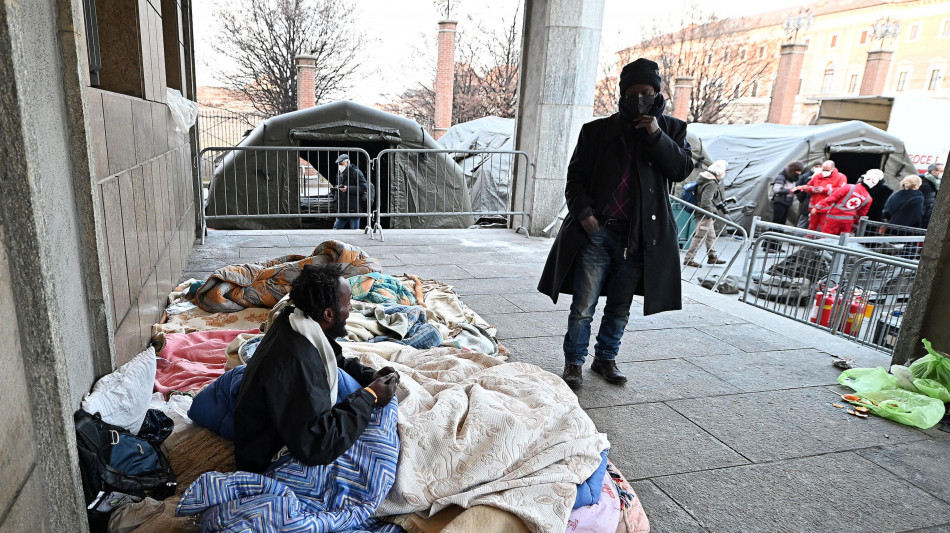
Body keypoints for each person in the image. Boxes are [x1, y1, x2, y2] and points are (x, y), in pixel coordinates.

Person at [537, 58, 693, 390]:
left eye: (647, 92)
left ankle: (606, 358)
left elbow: (680, 170)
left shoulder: (673, 130)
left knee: (620, 307)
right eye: (634, 93)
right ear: (622, 95)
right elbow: (574, 179)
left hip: (640, 236)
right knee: (583, 304)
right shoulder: (596, 132)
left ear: (657, 92)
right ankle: (574, 362)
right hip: (599, 232)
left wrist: (654, 134)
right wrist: (585, 216)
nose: (640, 99)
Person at [234, 264, 399, 473]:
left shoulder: (294, 319)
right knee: (380, 449)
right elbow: (318, 445)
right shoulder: (299, 363)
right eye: (347, 304)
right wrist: (371, 397)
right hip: (267, 458)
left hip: (277, 424)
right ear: (329, 314)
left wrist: (370, 375)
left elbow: (334, 358)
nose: (351, 310)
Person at [683, 159, 728, 267]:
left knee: (710, 236)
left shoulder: (704, 179)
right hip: (705, 214)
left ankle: (712, 257)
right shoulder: (711, 183)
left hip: (703, 212)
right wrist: (711, 214)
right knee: (699, 237)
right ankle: (689, 259)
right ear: (720, 172)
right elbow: (706, 201)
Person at [812, 169, 872, 236]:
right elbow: (860, 215)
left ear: (861, 180)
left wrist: (817, 207)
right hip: (848, 222)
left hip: (833, 218)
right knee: (842, 242)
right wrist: (854, 226)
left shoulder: (848, 187)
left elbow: (832, 198)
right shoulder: (868, 199)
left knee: (826, 239)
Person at [793, 160, 846, 232]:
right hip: (814, 208)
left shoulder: (841, 177)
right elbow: (808, 186)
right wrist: (812, 189)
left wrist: (825, 190)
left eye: (827, 170)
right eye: (823, 170)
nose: (824, 172)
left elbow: (841, 191)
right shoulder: (817, 175)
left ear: (833, 169)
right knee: (811, 228)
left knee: (823, 230)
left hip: (828, 209)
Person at [331, 154, 369, 230]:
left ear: (347, 162)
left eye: (341, 164)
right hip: (342, 209)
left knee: (354, 231)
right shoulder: (339, 174)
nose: (340, 166)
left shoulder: (356, 172)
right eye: (339, 164)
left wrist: (348, 189)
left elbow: (364, 187)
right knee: (335, 230)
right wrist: (336, 200)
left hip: (353, 208)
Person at [772, 161, 804, 226]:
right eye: (798, 171)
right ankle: (772, 234)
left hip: (787, 203)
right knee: (777, 221)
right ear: (793, 170)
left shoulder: (793, 178)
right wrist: (791, 190)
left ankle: (779, 234)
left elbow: (792, 190)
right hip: (779, 202)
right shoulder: (782, 176)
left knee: (782, 222)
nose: (799, 173)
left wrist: (798, 189)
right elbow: (776, 189)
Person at [794, 162, 821, 229]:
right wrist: (802, 198)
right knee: (803, 221)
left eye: (820, 166)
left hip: (818, 205)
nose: (819, 168)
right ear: (812, 167)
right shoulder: (806, 176)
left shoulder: (823, 177)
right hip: (806, 203)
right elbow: (798, 188)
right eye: (817, 166)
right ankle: (797, 237)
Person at [919, 162, 943, 228]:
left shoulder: (938, 183)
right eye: (942, 171)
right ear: (934, 172)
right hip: (924, 218)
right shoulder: (924, 184)